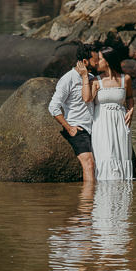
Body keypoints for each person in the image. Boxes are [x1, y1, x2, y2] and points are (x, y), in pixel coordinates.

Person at [49, 44, 101, 183]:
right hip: (78, 128)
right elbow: (53, 106)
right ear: (85, 62)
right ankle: (88, 203)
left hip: (94, 128)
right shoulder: (68, 79)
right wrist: (69, 128)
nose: (97, 63)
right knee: (89, 164)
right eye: (95, 60)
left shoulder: (92, 78)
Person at [81, 46, 135, 181]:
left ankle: (122, 196)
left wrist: (131, 109)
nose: (97, 62)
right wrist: (84, 78)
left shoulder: (125, 79)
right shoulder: (96, 81)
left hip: (120, 122)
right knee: (106, 155)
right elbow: (87, 99)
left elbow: (129, 98)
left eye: (100, 59)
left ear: (108, 61)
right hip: (102, 123)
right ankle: (103, 195)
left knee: (121, 155)